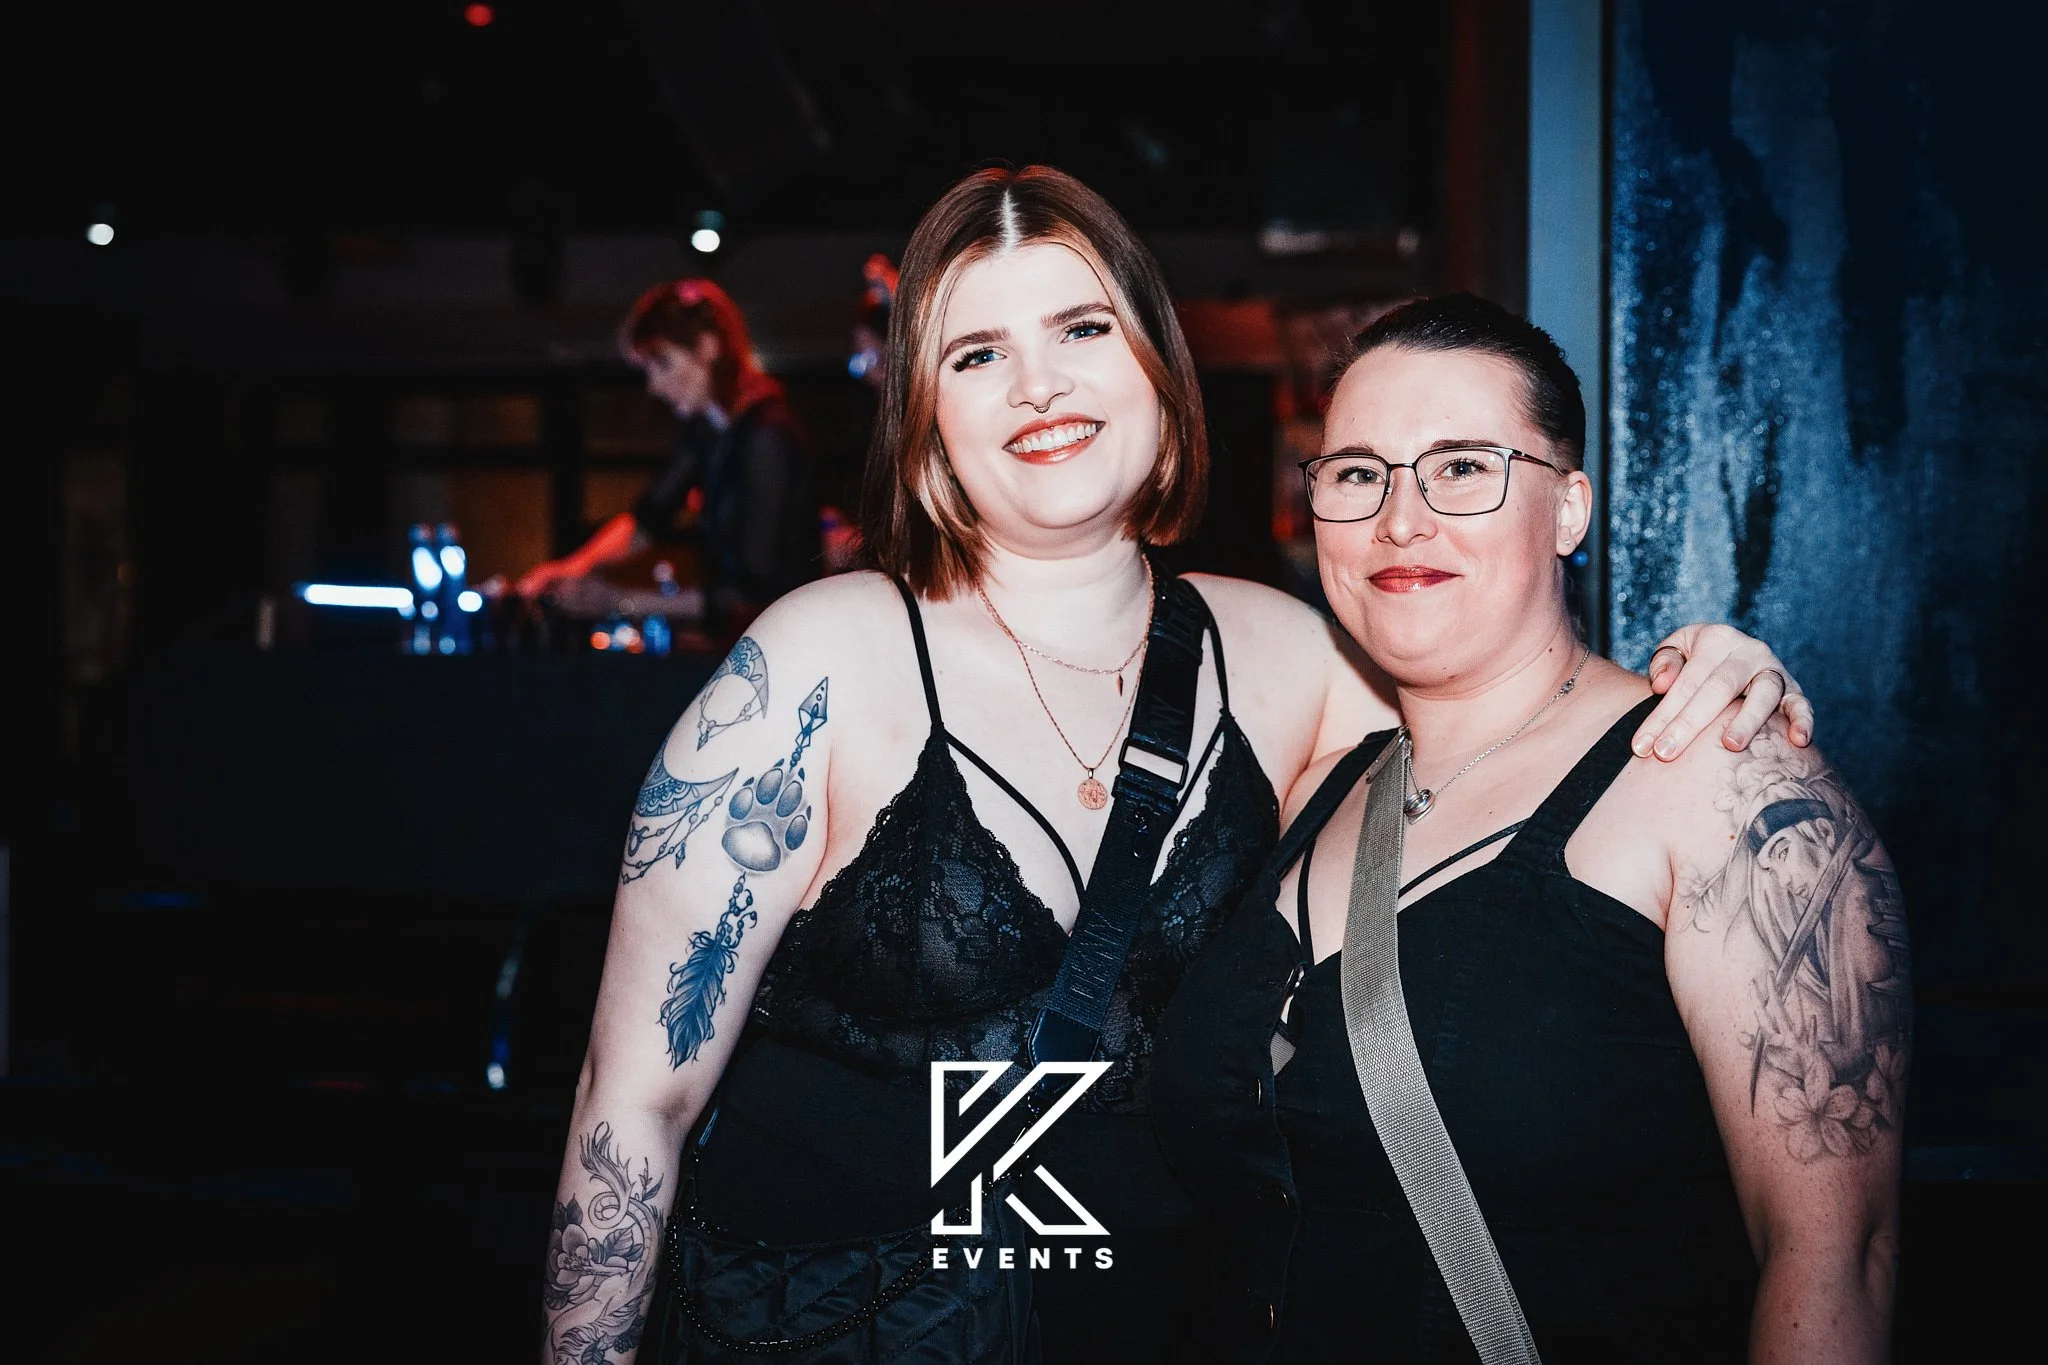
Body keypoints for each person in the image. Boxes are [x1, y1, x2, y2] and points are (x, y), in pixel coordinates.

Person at [541, 170, 1817, 1365]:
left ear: (1156, 365)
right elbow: (631, 1106)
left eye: (1081, 329)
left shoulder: (1288, 655)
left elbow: (1524, 718)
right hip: (824, 1322)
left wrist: (1698, 671)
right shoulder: (816, 662)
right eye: (976, 354)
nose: (1037, 385)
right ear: (924, 416)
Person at [1149, 294, 1908, 1362]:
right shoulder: (1312, 784)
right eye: (1357, 473)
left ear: (1568, 510)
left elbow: (1834, 1259)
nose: (1399, 520)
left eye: (1462, 467)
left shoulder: (1723, 787)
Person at [517, 278, 820, 636]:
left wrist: (622, 601)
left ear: (708, 347)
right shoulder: (709, 432)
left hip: (786, 643)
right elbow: (647, 520)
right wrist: (570, 568)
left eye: (662, 363)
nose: (654, 385)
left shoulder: (766, 435)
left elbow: (754, 592)